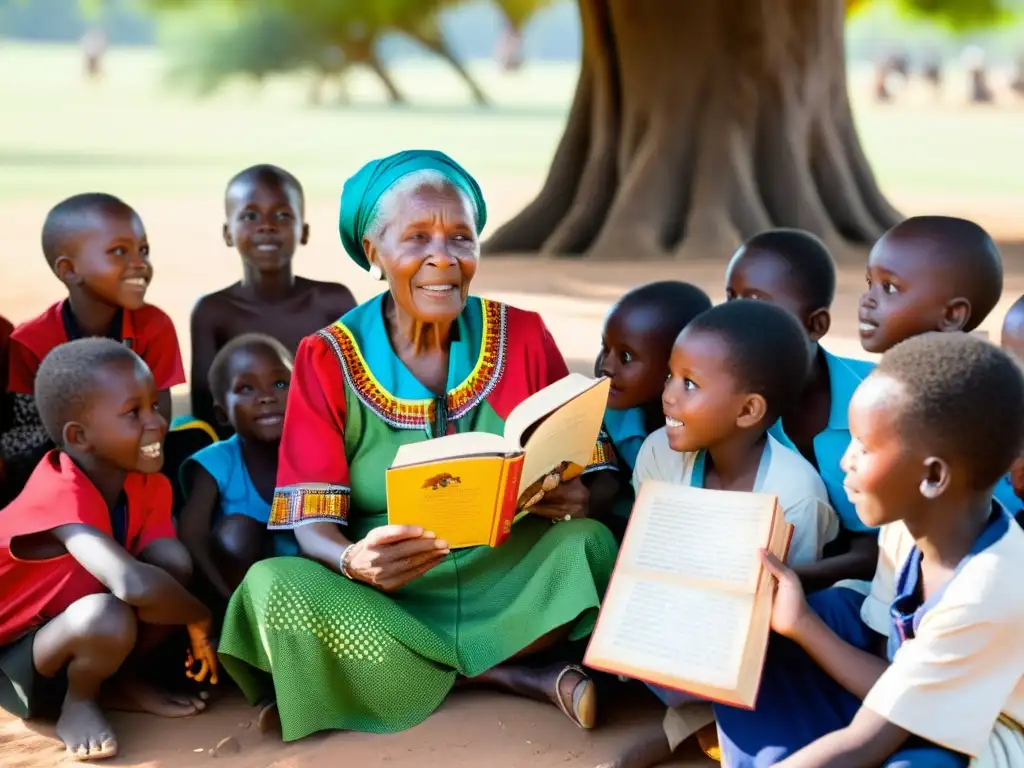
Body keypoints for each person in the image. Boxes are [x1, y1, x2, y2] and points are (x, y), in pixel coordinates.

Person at [217, 150, 619, 742]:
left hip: (510, 571)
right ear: (374, 252)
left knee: (591, 545)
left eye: (462, 237)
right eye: (417, 237)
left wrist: (581, 496)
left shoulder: (524, 334)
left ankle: (392, 677)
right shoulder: (326, 357)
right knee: (272, 587)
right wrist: (354, 560)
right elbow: (312, 526)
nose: (443, 258)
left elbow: (598, 468)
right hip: (389, 593)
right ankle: (513, 675)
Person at [714, 333, 1024, 767]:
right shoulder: (907, 528)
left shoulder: (989, 587)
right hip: (910, 706)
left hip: (984, 739)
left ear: (932, 476)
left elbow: (868, 741)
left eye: (864, 447)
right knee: (766, 634)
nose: (846, 461)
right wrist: (801, 623)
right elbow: (891, 671)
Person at [603, 300, 840, 768]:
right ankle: (695, 723)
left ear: (749, 410)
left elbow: (780, 612)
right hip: (669, 630)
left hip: (752, 647)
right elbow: (645, 558)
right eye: (670, 375)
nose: (667, 395)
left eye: (688, 384)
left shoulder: (793, 497)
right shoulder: (659, 455)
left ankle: (690, 729)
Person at [0, 339, 217, 762]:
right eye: (133, 413)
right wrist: (199, 616)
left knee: (172, 563)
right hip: (16, 659)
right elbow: (131, 584)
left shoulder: (147, 482)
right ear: (79, 437)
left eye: (154, 405)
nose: (156, 422)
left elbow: (167, 568)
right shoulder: (58, 491)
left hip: (83, 631)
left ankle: (120, 680)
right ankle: (78, 702)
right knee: (108, 611)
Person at [1, 193, 186, 501]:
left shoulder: (155, 326)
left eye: (143, 250)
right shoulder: (30, 341)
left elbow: (157, 415)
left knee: (189, 447)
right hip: (59, 462)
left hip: (135, 450)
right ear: (69, 270)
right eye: (119, 252)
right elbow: (26, 432)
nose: (139, 264)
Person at [726, 229, 877, 590]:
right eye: (730, 300)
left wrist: (787, 578)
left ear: (816, 324)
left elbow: (883, 548)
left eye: (756, 303)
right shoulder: (731, 407)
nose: (734, 319)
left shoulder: (879, 398)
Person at [858, 214, 1018, 518]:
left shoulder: (958, 408)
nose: (867, 299)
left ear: (952, 316)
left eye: (889, 288)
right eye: (870, 283)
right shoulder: (881, 385)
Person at [189, 164, 356, 438]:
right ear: (227, 233)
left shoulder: (332, 303)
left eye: (282, 215)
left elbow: (359, 398)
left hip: (326, 454)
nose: (267, 226)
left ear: (304, 231)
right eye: (250, 215)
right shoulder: (213, 313)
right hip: (245, 464)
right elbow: (206, 421)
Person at [179, 334, 298, 619]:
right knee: (237, 532)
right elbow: (191, 538)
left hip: (310, 577)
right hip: (241, 590)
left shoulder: (320, 450)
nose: (266, 397)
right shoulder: (216, 462)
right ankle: (245, 630)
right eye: (246, 388)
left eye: (280, 383)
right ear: (221, 413)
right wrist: (223, 606)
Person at [589, 281, 712, 541]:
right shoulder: (612, 413)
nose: (606, 366)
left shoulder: (713, 425)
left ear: (678, 364)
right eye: (605, 348)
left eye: (626, 357)